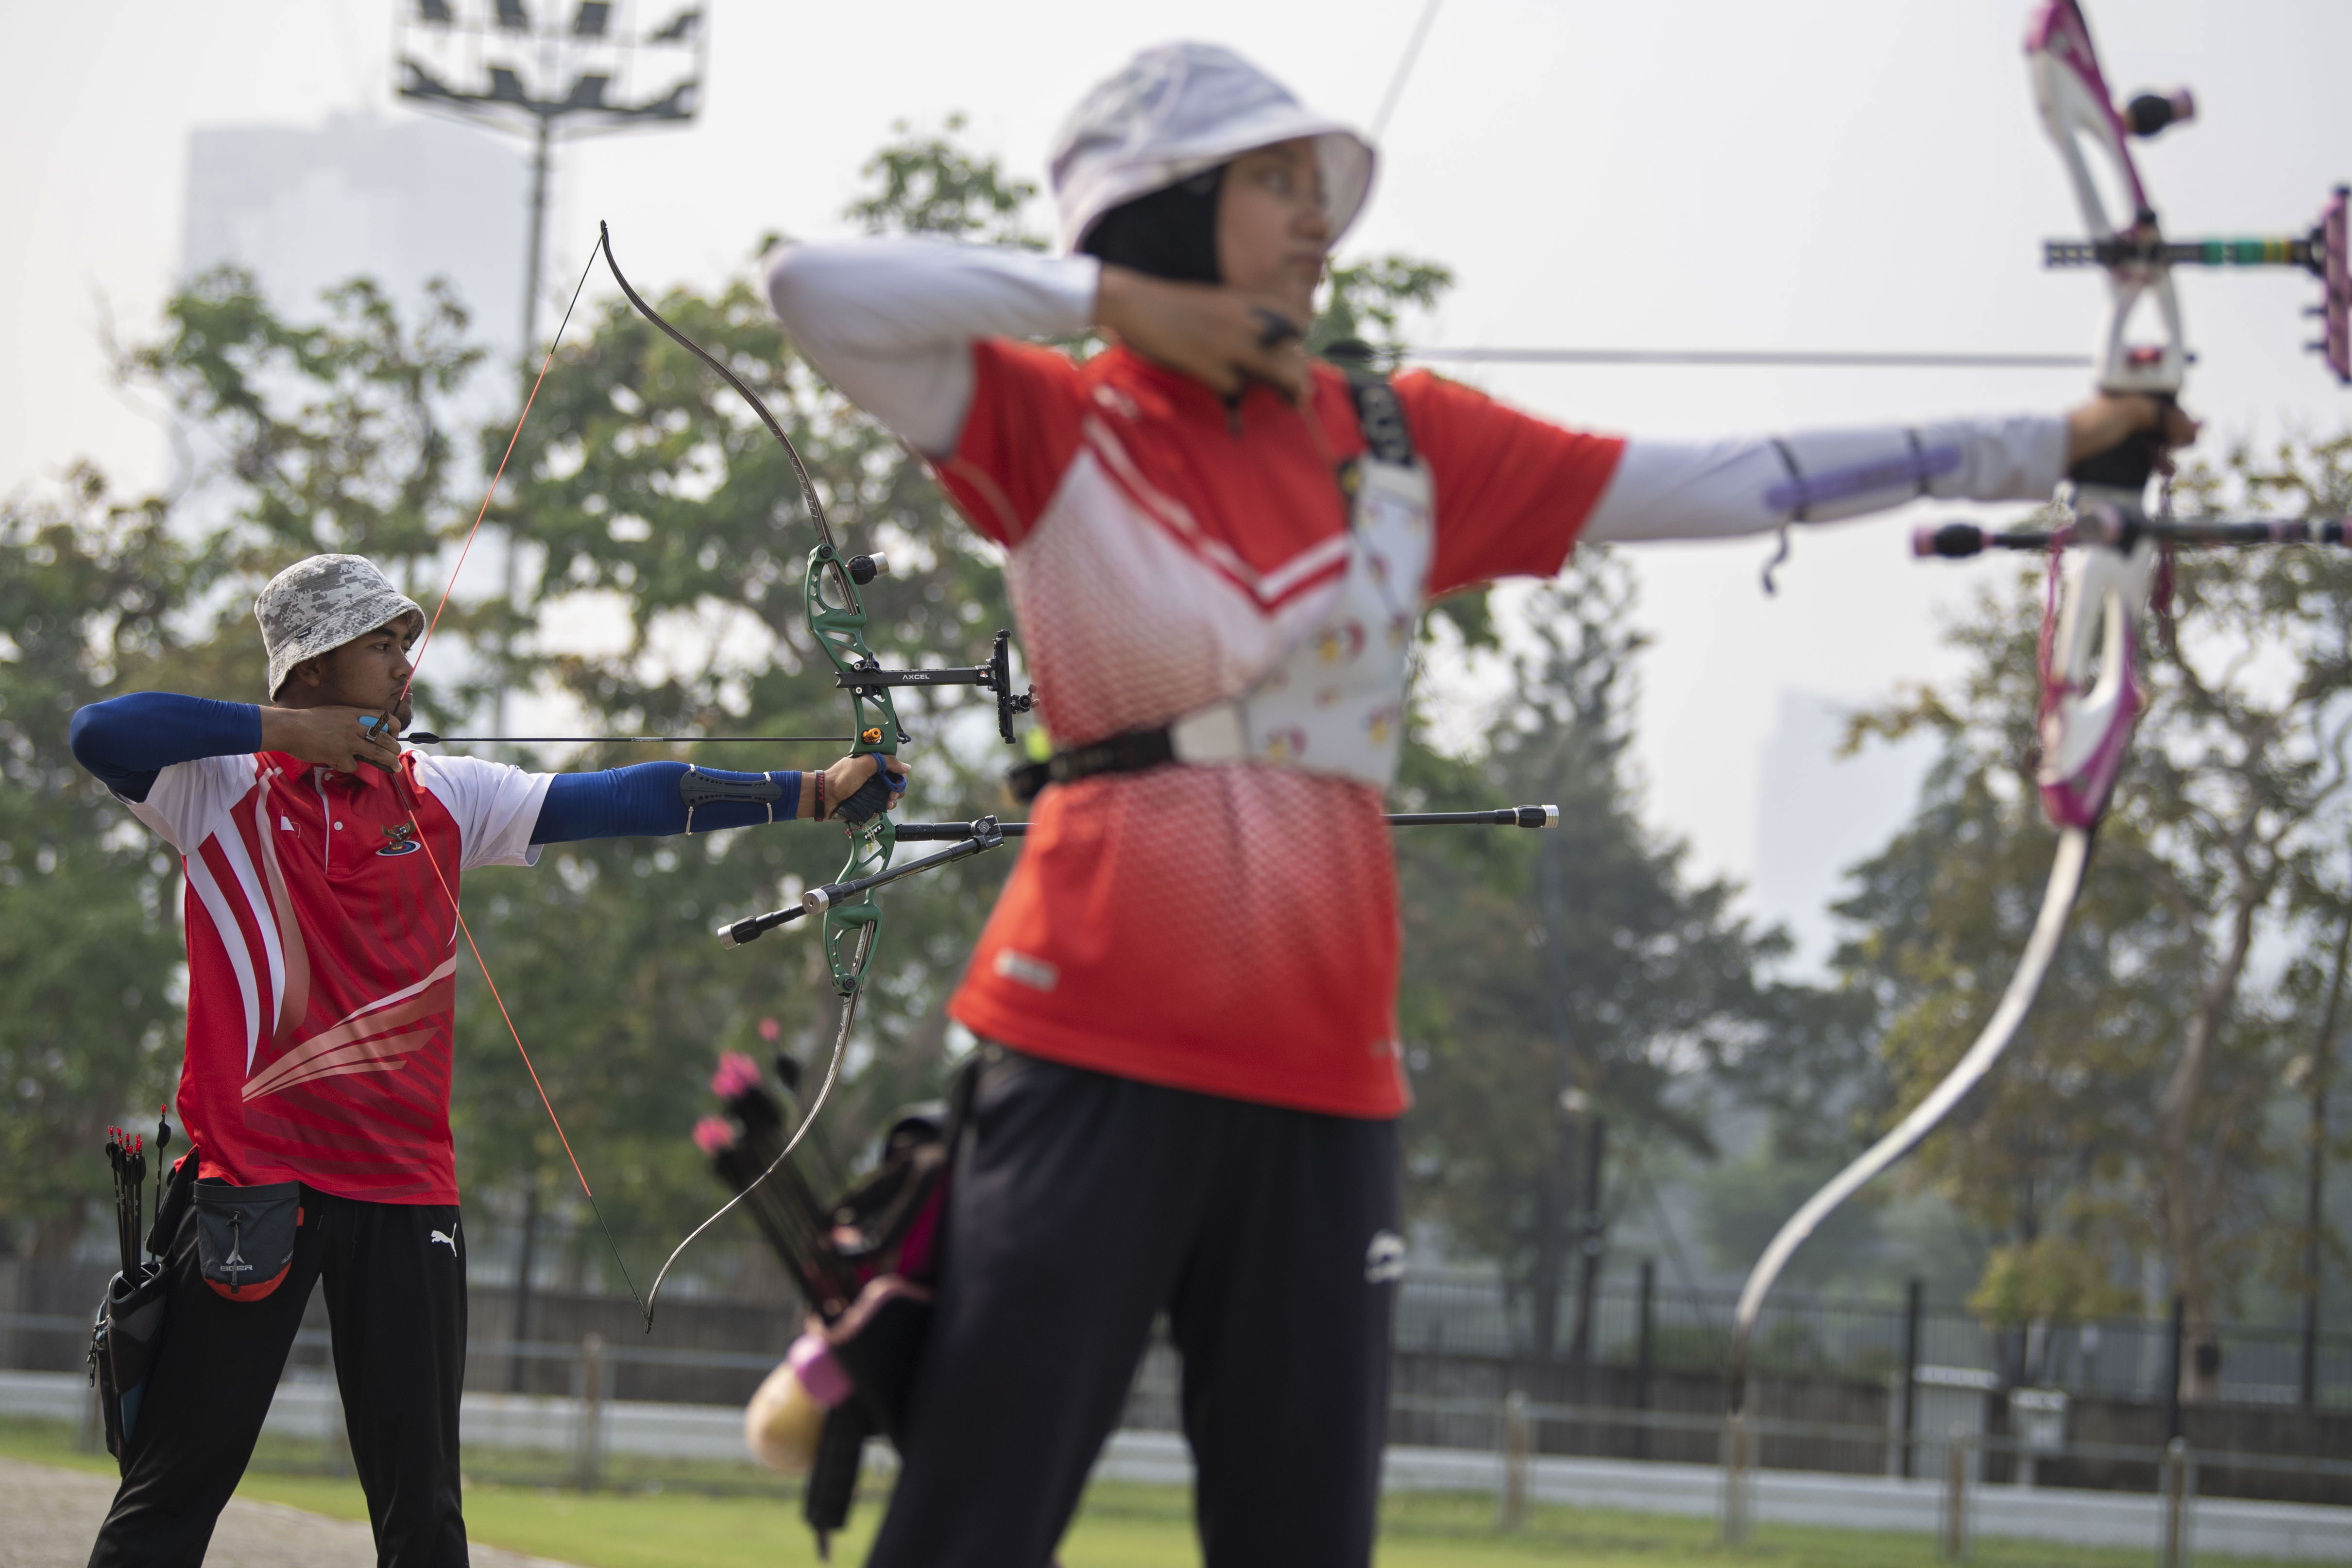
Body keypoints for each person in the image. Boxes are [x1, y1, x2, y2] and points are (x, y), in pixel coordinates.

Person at [763, 42, 2196, 1568]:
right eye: (1274, 184)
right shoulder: (1052, 423)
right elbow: (812, 289)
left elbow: (1736, 478)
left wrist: (2056, 443)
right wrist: (1113, 299)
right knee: (970, 1528)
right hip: (1089, 1046)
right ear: (1164, 205)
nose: (1318, 221)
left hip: (1329, 1081)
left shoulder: (1401, 442)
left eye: (1320, 190)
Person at [69, 552, 905, 1568]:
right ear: (316, 665)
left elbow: (623, 798)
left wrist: (812, 791)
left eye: (405, 644)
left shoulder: (445, 793)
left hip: (405, 1192)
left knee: (424, 1512)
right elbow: (97, 731)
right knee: (172, 1494)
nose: (405, 666)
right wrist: (287, 732)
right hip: (252, 1187)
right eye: (382, 645)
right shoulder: (214, 787)